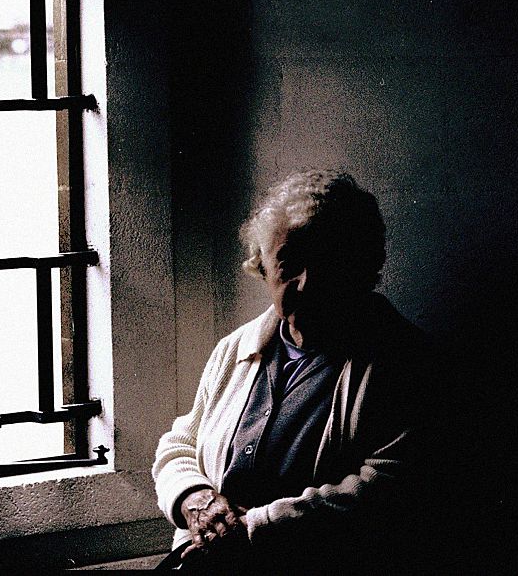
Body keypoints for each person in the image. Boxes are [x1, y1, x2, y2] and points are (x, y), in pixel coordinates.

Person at [152, 170, 435, 571]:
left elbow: (389, 488)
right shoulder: (236, 348)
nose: (306, 283)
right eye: (289, 263)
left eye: (328, 263)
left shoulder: (404, 362)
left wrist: (251, 529)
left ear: (364, 267)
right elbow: (180, 444)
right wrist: (196, 500)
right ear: (262, 266)